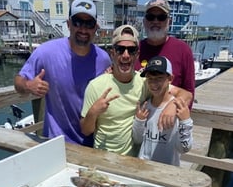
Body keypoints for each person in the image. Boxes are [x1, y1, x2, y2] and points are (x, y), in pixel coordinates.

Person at [80, 25, 192, 157]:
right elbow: (85, 130)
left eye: (131, 50)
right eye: (120, 49)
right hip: (103, 157)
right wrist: (93, 112)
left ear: (137, 55)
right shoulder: (95, 86)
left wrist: (172, 106)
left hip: (135, 161)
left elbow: (186, 94)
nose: (126, 55)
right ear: (112, 53)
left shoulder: (146, 82)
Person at [14, 0, 111, 147]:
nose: (83, 29)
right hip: (56, 141)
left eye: (89, 23)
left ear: (96, 27)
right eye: (78, 22)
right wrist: (29, 86)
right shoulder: (46, 52)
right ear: (68, 24)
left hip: (93, 143)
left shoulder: (103, 58)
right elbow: (18, 81)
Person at [135, 0, 195, 109]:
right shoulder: (134, 49)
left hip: (169, 121)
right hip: (138, 120)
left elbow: (189, 91)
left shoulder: (183, 50)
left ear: (169, 21)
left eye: (161, 17)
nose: (155, 21)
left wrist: (174, 109)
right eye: (150, 17)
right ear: (144, 21)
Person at [132, 56, 193, 166]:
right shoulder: (145, 106)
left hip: (168, 171)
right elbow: (138, 140)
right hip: (143, 167)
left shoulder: (179, 108)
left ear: (170, 78)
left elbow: (184, 148)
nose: (153, 83)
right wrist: (139, 121)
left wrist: (185, 122)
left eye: (159, 78)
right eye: (150, 79)